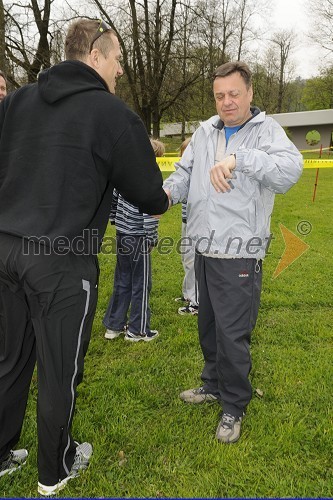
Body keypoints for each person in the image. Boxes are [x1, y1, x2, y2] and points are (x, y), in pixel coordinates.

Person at [0, 18, 168, 495]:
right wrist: (169, 197)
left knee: (9, 358)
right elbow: (149, 194)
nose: (119, 71)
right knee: (58, 368)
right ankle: (56, 470)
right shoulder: (110, 112)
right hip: (61, 260)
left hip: (5, 248)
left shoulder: (16, 102)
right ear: (95, 55)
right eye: (116, 60)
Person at [163, 61, 303, 444]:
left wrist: (240, 160)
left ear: (250, 92)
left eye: (234, 94)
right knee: (208, 328)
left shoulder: (267, 131)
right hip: (203, 249)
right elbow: (185, 173)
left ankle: (234, 405)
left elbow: (290, 171)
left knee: (232, 334)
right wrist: (167, 193)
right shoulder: (207, 131)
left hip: (240, 254)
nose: (226, 102)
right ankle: (212, 384)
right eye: (219, 95)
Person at [103, 138, 165, 342]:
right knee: (141, 283)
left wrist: (115, 220)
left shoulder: (124, 176)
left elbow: (112, 200)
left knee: (122, 280)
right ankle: (138, 330)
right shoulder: (149, 180)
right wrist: (151, 237)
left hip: (122, 234)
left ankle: (114, 325)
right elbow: (151, 212)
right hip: (139, 238)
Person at [174, 137, 199, 315]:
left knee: (192, 261)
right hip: (186, 223)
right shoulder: (186, 175)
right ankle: (187, 294)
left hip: (195, 224)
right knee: (186, 258)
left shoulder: (198, 176)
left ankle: (196, 301)